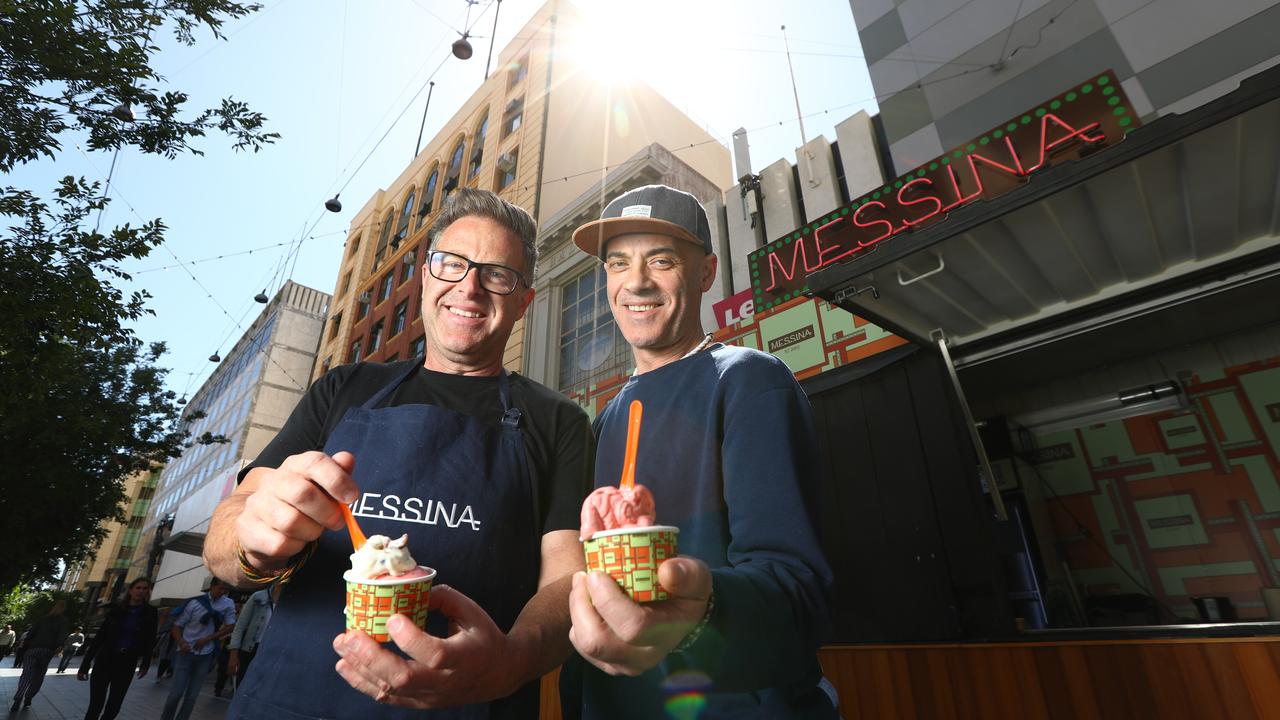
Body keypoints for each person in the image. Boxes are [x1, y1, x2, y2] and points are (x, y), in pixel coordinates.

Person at [203, 188, 593, 719]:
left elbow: (567, 576)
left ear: (523, 299)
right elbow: (230, 528)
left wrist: (512, 659)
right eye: (452, 264)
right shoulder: (343, 387)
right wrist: (253, 544)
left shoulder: (559, 420)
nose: (470, 287)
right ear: (427, 276)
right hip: (288, 702)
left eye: (497, 274)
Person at [562, 185, 835, 718]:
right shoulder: (608, 417)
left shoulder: (750, 381)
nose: (635, 281)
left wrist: (703, 611)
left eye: (660, 261)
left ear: (706, 273)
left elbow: (800, 595)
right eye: (618, 264)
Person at [77, 577, 159, 720]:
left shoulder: (150, 612)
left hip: (127, 662)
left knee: (114, 706)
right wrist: (85, 664)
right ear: (131, 590)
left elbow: (150, 639)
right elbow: (100, 637)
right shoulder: (117, 609)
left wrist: (146, 662)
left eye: (145, 588)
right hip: (105, 660)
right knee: (96, 705)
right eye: (138, 588)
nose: (141, 591)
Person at [159, 578, 237, 720]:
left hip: (206, 654)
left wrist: (209, 638)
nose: (223, 592)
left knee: (191, 697)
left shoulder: (228, 604)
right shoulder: (194, 603)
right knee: (175, 694)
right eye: (220, 588)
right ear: (212, 586)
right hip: (186, 651)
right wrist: (181, 642)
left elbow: (231, 625)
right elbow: (177, 625)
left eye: (225, 589)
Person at [10, 599, 71, 711]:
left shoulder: (43, 619)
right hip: (46, 651)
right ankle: (28, 698)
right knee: (38, 677)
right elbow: (62, 635)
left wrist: (26, 646)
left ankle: (17, 699)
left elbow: (31, 633)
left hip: (32, 650)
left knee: (26, 675)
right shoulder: (63, 620)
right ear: (64, 609)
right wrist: (60, 645)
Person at [225, 584, 278, 694]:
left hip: (272, 654)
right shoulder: (258, 596)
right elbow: (239, 627)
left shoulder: (293, 603)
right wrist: (233, 655)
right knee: (241, 691)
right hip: (250, 650)